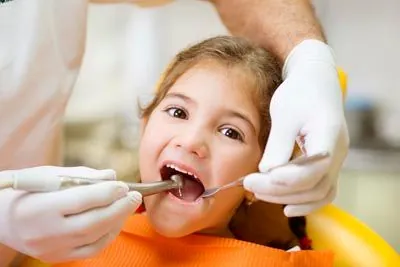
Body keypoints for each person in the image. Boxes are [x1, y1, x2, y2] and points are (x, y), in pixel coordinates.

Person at [0, 0, 348, 265]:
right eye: (178, 111)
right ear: (144, 126)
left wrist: (310, 59)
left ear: (262, 174)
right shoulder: (77, 242)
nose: (192, 141)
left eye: (230, 132)